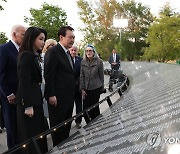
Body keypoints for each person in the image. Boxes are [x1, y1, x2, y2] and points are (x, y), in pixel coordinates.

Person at [16, 27, 48, 154]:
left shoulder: (34, 56)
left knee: (40, 136)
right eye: (40, 39)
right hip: (28, 104)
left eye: (44, 39)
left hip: (36, 101)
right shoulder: (26, 56)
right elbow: (24, 82)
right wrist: (28, 105)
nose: (43, 42)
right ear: (31, 39)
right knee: (31, 140)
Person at [44, 26, 75, 147]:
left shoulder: (67, 52)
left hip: (68, 97)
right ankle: (58, 148)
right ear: (61, 37)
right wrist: (51, 94)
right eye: (70, 37)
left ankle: (65, 147)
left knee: (67, 125)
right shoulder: (53, 52)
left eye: (73, 37)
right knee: (58, 127)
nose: (72, 40)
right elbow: (49, 75)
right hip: (57, 98)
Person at [0, 25, 26, 149]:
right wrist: (8, 93)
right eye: (23, 34)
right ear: (14, 34)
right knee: (12, 128)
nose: (25, 37)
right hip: (10, 97)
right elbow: (0, 73)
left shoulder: (22, 50)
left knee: (20, 127)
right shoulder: (4, 49)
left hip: (21, 95)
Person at [80, 44, 104, 124]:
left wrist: (102, 88)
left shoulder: (99, 61)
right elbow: (82, 76)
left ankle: (97, 124)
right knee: (86, 109)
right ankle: (88, 124)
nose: (88, 52)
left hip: (96, 87)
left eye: (90, 51)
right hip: (86, 88)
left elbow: (101, 75)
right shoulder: (83, 62)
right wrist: (82, 89)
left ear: (94, 52)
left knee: (95, 107)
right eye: (87, 51)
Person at [41, 39, 57, 118]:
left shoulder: (56, 56)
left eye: (53, 45)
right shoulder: (42, 56)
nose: (52, 47)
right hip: (44, 83)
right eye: (50, 45)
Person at [69, 45, 82, 129]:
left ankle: (78, 121)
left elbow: (82, 73)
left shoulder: (80, 60)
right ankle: (68, 122)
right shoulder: (66, 59)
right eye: (72, 50)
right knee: (69, 106)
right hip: (69, 87)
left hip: (78, 87)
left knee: (79, 105)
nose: (73, 52)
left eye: (75, 50)